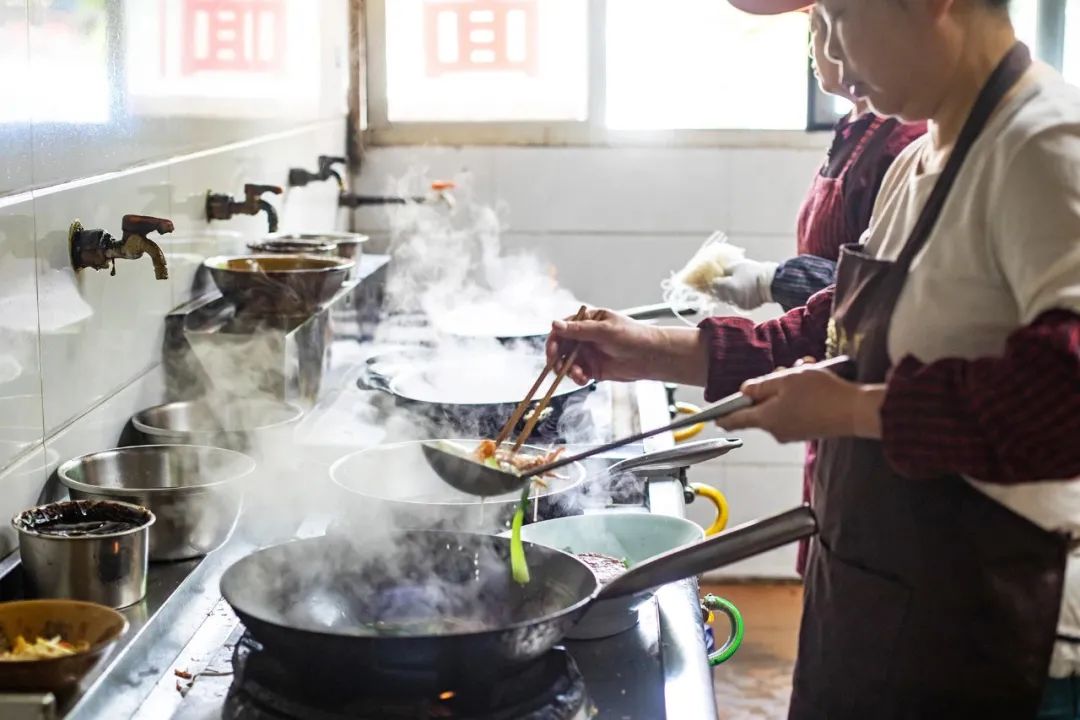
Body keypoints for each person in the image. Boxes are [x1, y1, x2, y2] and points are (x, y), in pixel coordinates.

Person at [548, 0, 1080, 716]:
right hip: (880, 602)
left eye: (838, 14)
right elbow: (821, 336)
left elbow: (1067, 391)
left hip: (993, 635)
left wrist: (857, 411)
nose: (830, 56)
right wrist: (643, 350)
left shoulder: (1044, 144)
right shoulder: (921, 158)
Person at [699, 4, 926, 575]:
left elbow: (870, 306)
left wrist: (776, 279)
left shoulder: (910, 140)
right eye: (816, 25)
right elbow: (845, 309)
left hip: (889, 450)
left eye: (837, 18)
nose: (824, 45)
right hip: (834, 399)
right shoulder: (860, 129)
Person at [710, 6, 925, 314]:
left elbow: (878, 291)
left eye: (826, 25)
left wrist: (771, 280)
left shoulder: (903, 142)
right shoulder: (852, 132)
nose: (822, 49)